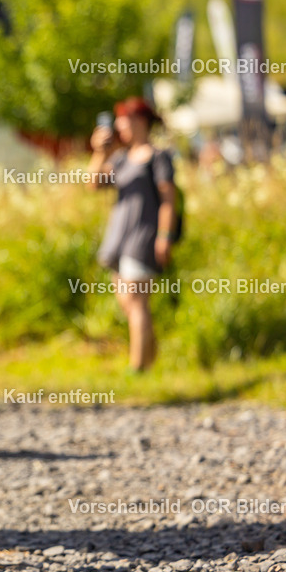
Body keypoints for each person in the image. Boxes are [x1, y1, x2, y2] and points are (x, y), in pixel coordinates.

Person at [87, 97, 177, 372]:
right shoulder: (121, 158)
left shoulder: (158, 157)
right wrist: (99, 152)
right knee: (129, 303)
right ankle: (149, 359)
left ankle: (137, 367)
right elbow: (93, 185)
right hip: (120, 238)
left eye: (123, 122)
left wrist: (164, 236)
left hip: (144, 236)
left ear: (139, 121)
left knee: (136, 300)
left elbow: (168, 200)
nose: (118, 128)